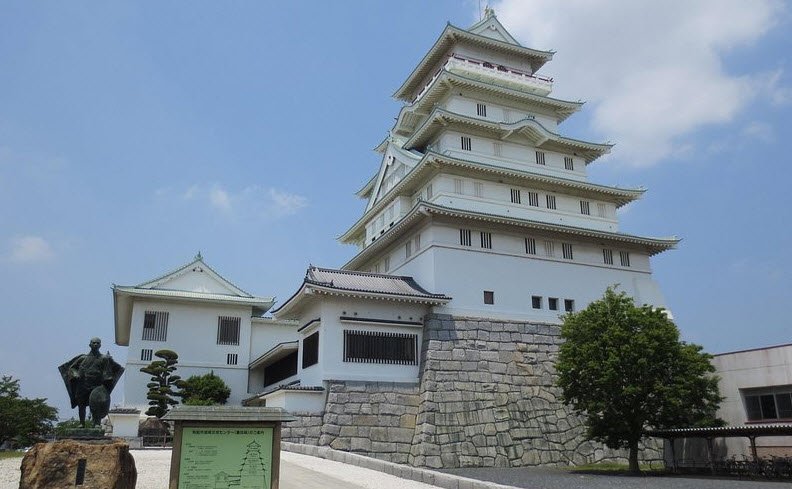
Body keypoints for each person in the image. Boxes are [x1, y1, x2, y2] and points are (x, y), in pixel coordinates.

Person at [58, 337, 124, 427]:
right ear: (90, 345)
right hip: (83, 384)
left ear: (100, 345)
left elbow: (110, 371)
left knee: (96, 404)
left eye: (97, 343)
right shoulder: (82, 358)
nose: (95, 344)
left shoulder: (104, 358)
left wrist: (107, 378)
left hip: (97, 385)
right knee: (81, 405)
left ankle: (96, 423)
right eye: (93, 343)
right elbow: (72, 368)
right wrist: (75, 374)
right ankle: (81, 423)